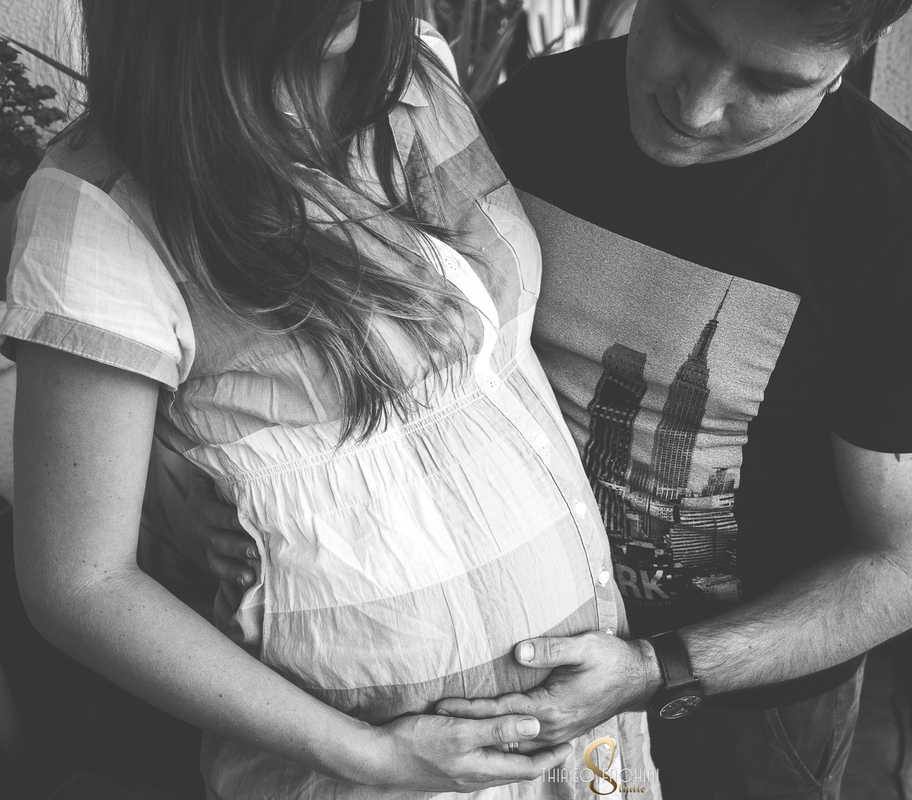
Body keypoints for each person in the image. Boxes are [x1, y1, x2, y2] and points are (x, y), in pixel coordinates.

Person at [195, 0, 912, 797]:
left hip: (739, 718)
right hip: (497, 671)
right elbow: (412, 361)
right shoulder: (537, 107)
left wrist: (657, 669)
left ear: (858, 52)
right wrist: (258, 518)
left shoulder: (906, 225)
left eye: (768, 82)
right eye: (687, 29)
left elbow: (910, 564)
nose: (696, 105)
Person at [3, 1, 654, 797]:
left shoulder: (416, 69)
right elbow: (80, 586)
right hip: (372, 773)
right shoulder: (97, 206)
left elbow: (472, 366)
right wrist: (372, 756)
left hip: (584, 731)